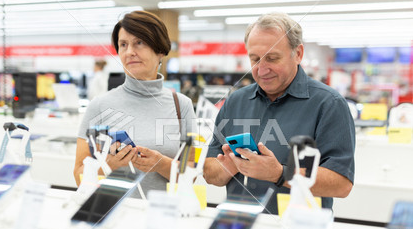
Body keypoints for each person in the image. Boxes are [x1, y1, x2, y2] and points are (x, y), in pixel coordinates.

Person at [203, 12, 355, 215]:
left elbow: (341, 184)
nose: (262, 69)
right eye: (255, 59)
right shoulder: (235, 101)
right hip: (236, 225)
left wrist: (280, 174)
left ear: (298, 54)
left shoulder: (328, 104)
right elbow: (210, 172)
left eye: (272, 58)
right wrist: (231, 167)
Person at [74, 11, 196, 194]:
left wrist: (161, 164)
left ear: (160, 50)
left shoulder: (182, 106)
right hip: (109, 214)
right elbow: (78, 174)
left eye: (139, 42)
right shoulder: (99, 105)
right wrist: (108, 166)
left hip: (162, 215)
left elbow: (192, 173)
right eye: (123, 45)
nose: (130, 52)